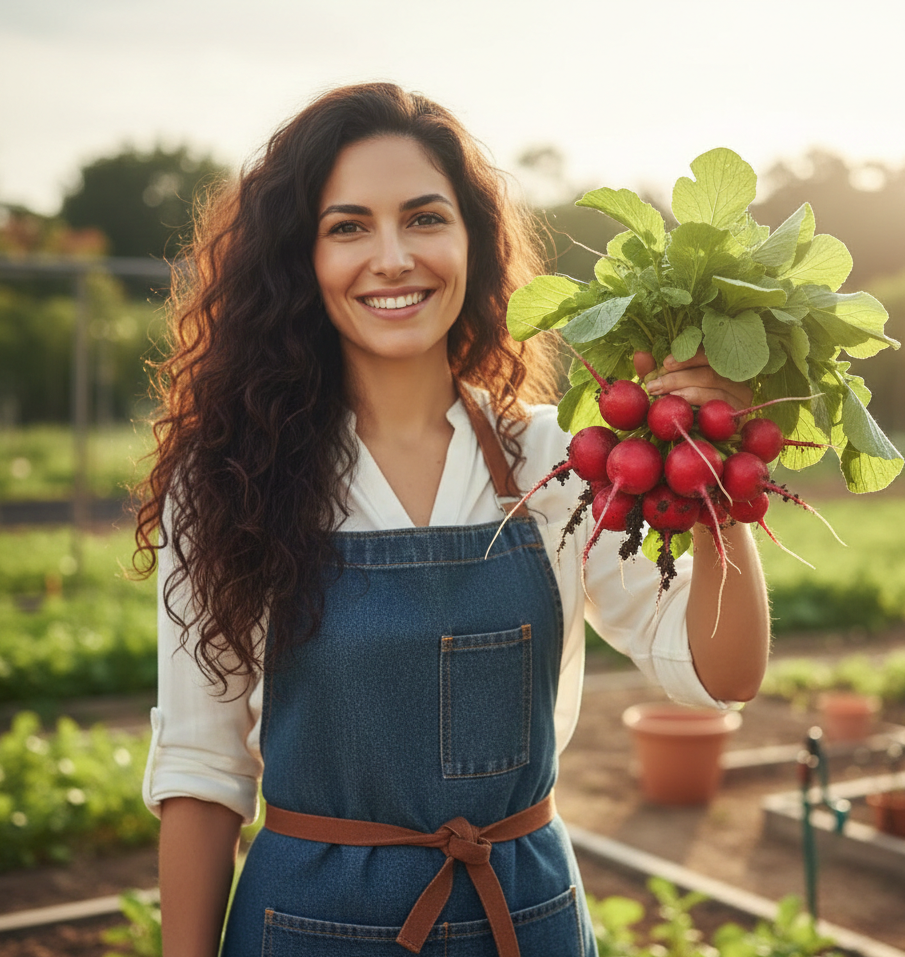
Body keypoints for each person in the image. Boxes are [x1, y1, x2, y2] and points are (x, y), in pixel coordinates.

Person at [136, 82, 770, 957]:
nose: (392, 257)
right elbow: (202, 775)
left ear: (473, 242)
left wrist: (714, 482)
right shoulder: (231, 480)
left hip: (523, 922)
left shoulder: (557, 460)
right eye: (348, 226)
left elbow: (720, 673)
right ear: (298, 258)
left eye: (425, 218)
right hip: (305, 930)